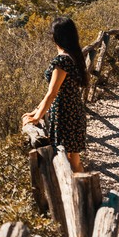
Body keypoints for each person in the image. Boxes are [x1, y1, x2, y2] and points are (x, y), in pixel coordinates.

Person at [22, 17, 89, 173]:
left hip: (64, 115)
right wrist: (36, 111)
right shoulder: (74, 56)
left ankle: (81, 194)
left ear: (56, 36)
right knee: (74, 158)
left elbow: (52, 93)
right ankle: (85, 192)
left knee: (67, 159)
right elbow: (53, 93)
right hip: (74, 112)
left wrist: (37, 117)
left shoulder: (61, 61)